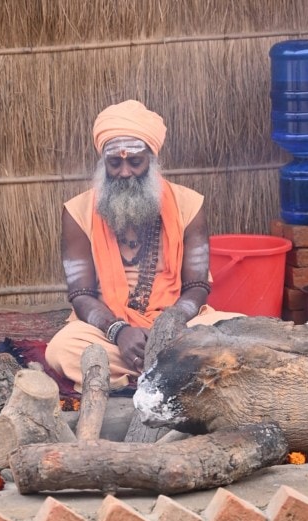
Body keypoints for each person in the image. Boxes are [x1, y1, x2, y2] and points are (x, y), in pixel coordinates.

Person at [45, 100, 241, 393]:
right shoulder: (78, 211)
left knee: (237, 330)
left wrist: (167, 328)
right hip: (108, 329)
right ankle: (176, 372)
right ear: (103, 162)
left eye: (135, 161)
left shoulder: (189, 205)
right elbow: (81, 293)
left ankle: (146, 371)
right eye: (115, 162)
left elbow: (197, 285)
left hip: (178, 325)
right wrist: (119, 331)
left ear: (151, 158)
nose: (125, 172)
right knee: (62, 349)